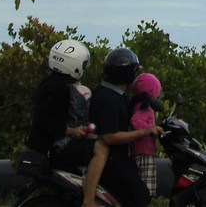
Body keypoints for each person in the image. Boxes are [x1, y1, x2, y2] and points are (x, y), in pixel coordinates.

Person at [88, 47, 164, 207]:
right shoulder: (110, 100)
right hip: (112, 157)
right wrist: (145, 131)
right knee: (140, 194)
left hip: (117, 155)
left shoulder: (113, 93)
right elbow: (109, 137)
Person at [26, 39, 97, 171]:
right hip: (50, 148)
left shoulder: (48, 83)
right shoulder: (59, 89)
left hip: (39, 146)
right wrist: (70, 131)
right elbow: (43, 119)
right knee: (98, 149)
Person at [129, 72, 163, 199]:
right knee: (146, 190)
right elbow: (135, 121)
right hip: (144, 150)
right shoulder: (145, 107)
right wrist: (150, 129)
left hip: (138, 149)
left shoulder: (137, 104)